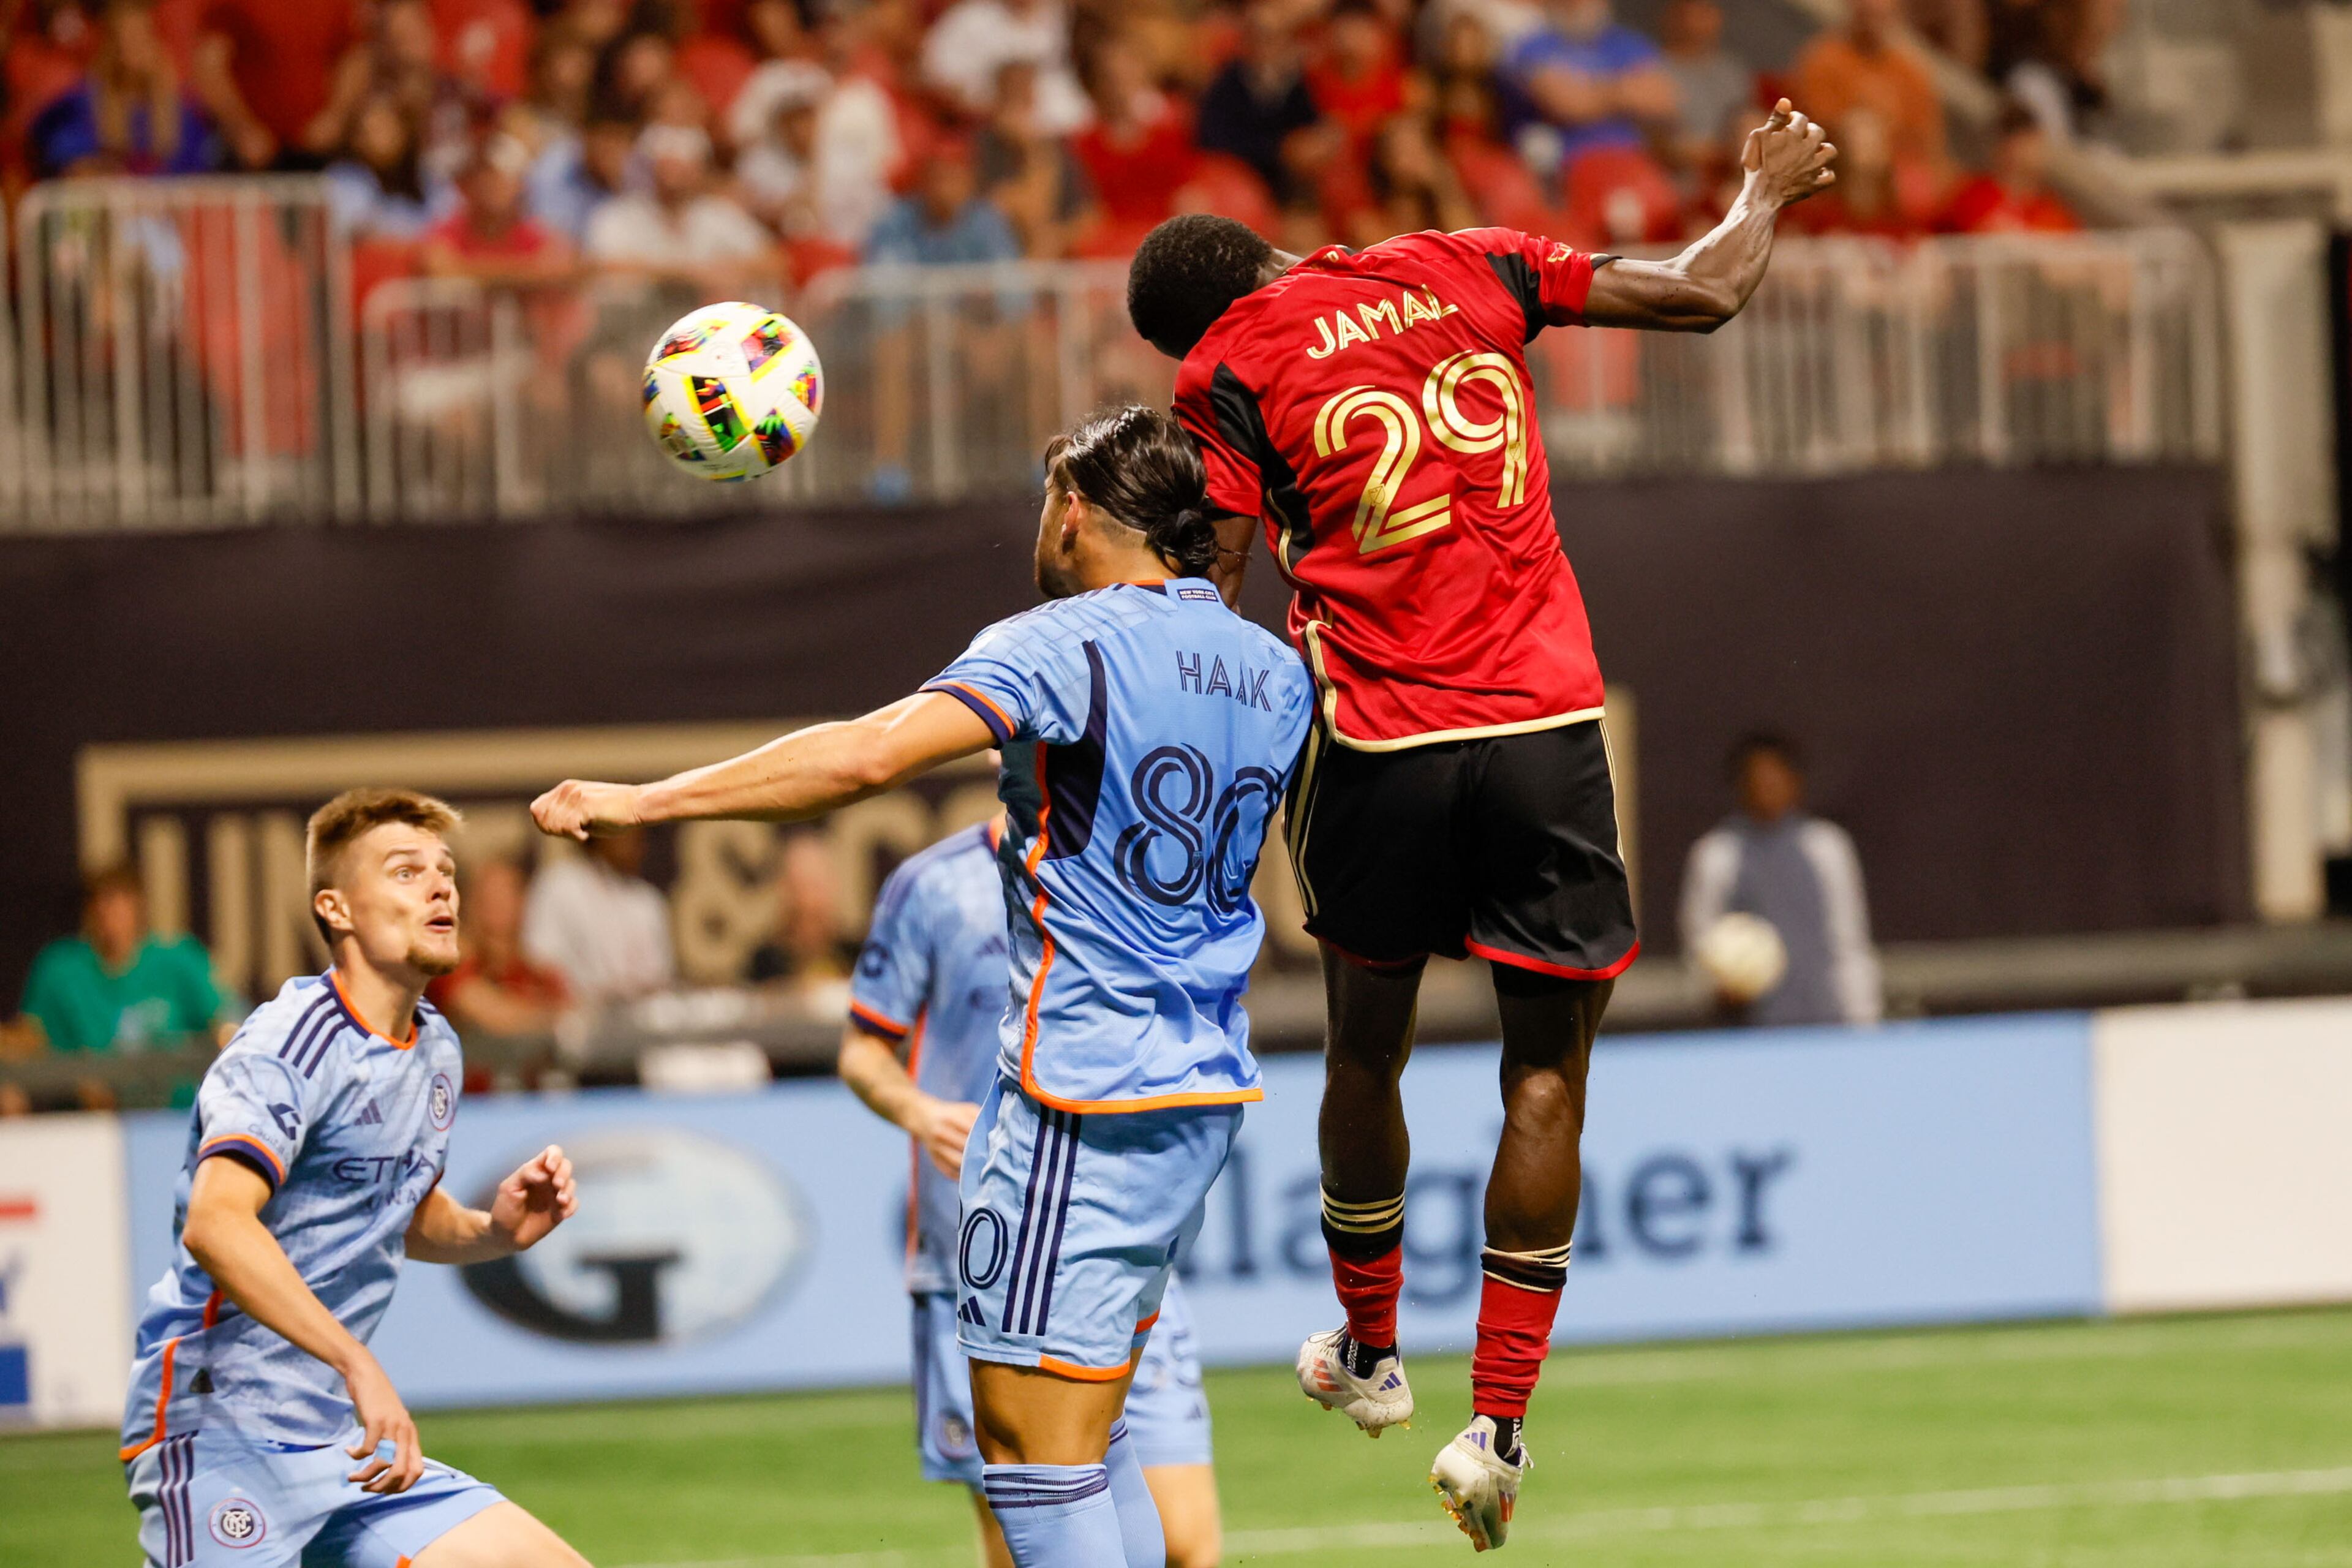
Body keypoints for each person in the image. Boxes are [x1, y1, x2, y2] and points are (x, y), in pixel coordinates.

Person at [1126, 100, 1836, 1550]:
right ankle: (1499, 1424)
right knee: (1544, 1078)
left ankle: (1371, 1350)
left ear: (1182, 333)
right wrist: (1758, 185)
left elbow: (1219, 587)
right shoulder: (1467, 260)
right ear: (1275, 243)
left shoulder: (1221, 372)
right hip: (1543, 733)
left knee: (1364, 1043)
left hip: (1383, 740)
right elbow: (1702, 289)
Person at [532, 404, 1312, 1568]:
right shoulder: (1271, 669)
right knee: (1090, 1436)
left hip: (1078, 1095)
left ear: (1077, 511)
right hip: (1197, 1090)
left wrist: (643, 802)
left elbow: (859, 757)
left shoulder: (1068, 640)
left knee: (1034, 1458)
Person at [120, 788, 589, 1566]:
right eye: (407, 872)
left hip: (341, 1439)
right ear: (336, 908)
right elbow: (217, 1222)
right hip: (220, 1427)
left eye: (445, 871)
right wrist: (358, 1364)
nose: (442, 886)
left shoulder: (436, 1047)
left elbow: (397, 1208)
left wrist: (494, 1230)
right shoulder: (289, 1042)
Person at [840, 808, 1224, 1568]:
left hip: (1118, 1240)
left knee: (1186, 1542)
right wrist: (918, 1110)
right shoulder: (932, 885)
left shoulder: (1136, 861)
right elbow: (862, 1049)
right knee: (1024, 1546)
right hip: (983, 1259)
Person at [1679, 733, 1882, 1028]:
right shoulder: (1716, 856)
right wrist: (1716, 990)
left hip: (1828, 1024)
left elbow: (1849, 942)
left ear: (1795, 782)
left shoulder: (1827, 848)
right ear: (1740, 787)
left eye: (1775, 778)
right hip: (1749, 1032)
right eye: (1756, 780)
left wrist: (1865, 1019)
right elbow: (1699, 944)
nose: (1767, 788)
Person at [20, 863, 235, 1054]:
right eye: (99, 901)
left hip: (180, 1098)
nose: (107, 912)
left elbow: (226, 1023)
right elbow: (31, 1036)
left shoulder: (180, 961)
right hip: (91, 1096)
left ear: (139, 906)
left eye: (117, 901)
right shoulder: (60, 969)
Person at [31, 0, 221, 178]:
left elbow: (195, 176)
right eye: (126, 38)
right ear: (110, 45)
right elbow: (70, 159)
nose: (133, 49)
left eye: (141, 37)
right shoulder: (83, 102)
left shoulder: (182, 110)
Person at [521, 827, 676, 1005]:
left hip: (639, 1025)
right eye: (622, 830)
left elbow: (660, 981)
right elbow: (541, 962)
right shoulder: (560, 885)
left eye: (636, 832)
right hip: (576, 1022)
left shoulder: (648, 901)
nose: (630, 840)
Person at [1792, 0, 1947, 174]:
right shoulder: (1822, 60)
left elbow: (1928, 142)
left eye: (1880, 16)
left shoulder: (1911, 73)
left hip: (1900, 176)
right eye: (1867, 14)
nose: (1873, 25)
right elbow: (1811, 127)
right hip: (1835, 169)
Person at [426, 856, 570, 1039]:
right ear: (468, 905)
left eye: (504, 895)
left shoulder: (541, 977)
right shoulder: (450, 967)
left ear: (523, 902)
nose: (495, 905)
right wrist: (551, 1017)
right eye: (486, 896)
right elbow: (493, 1015)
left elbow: (576, 1020)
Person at [1933, 102, 2078, 233]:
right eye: (2021, 144)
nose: (2028, 152)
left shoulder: (2052, 213)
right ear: (2002, 147)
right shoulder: (1972, 197)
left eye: (2032, 143)